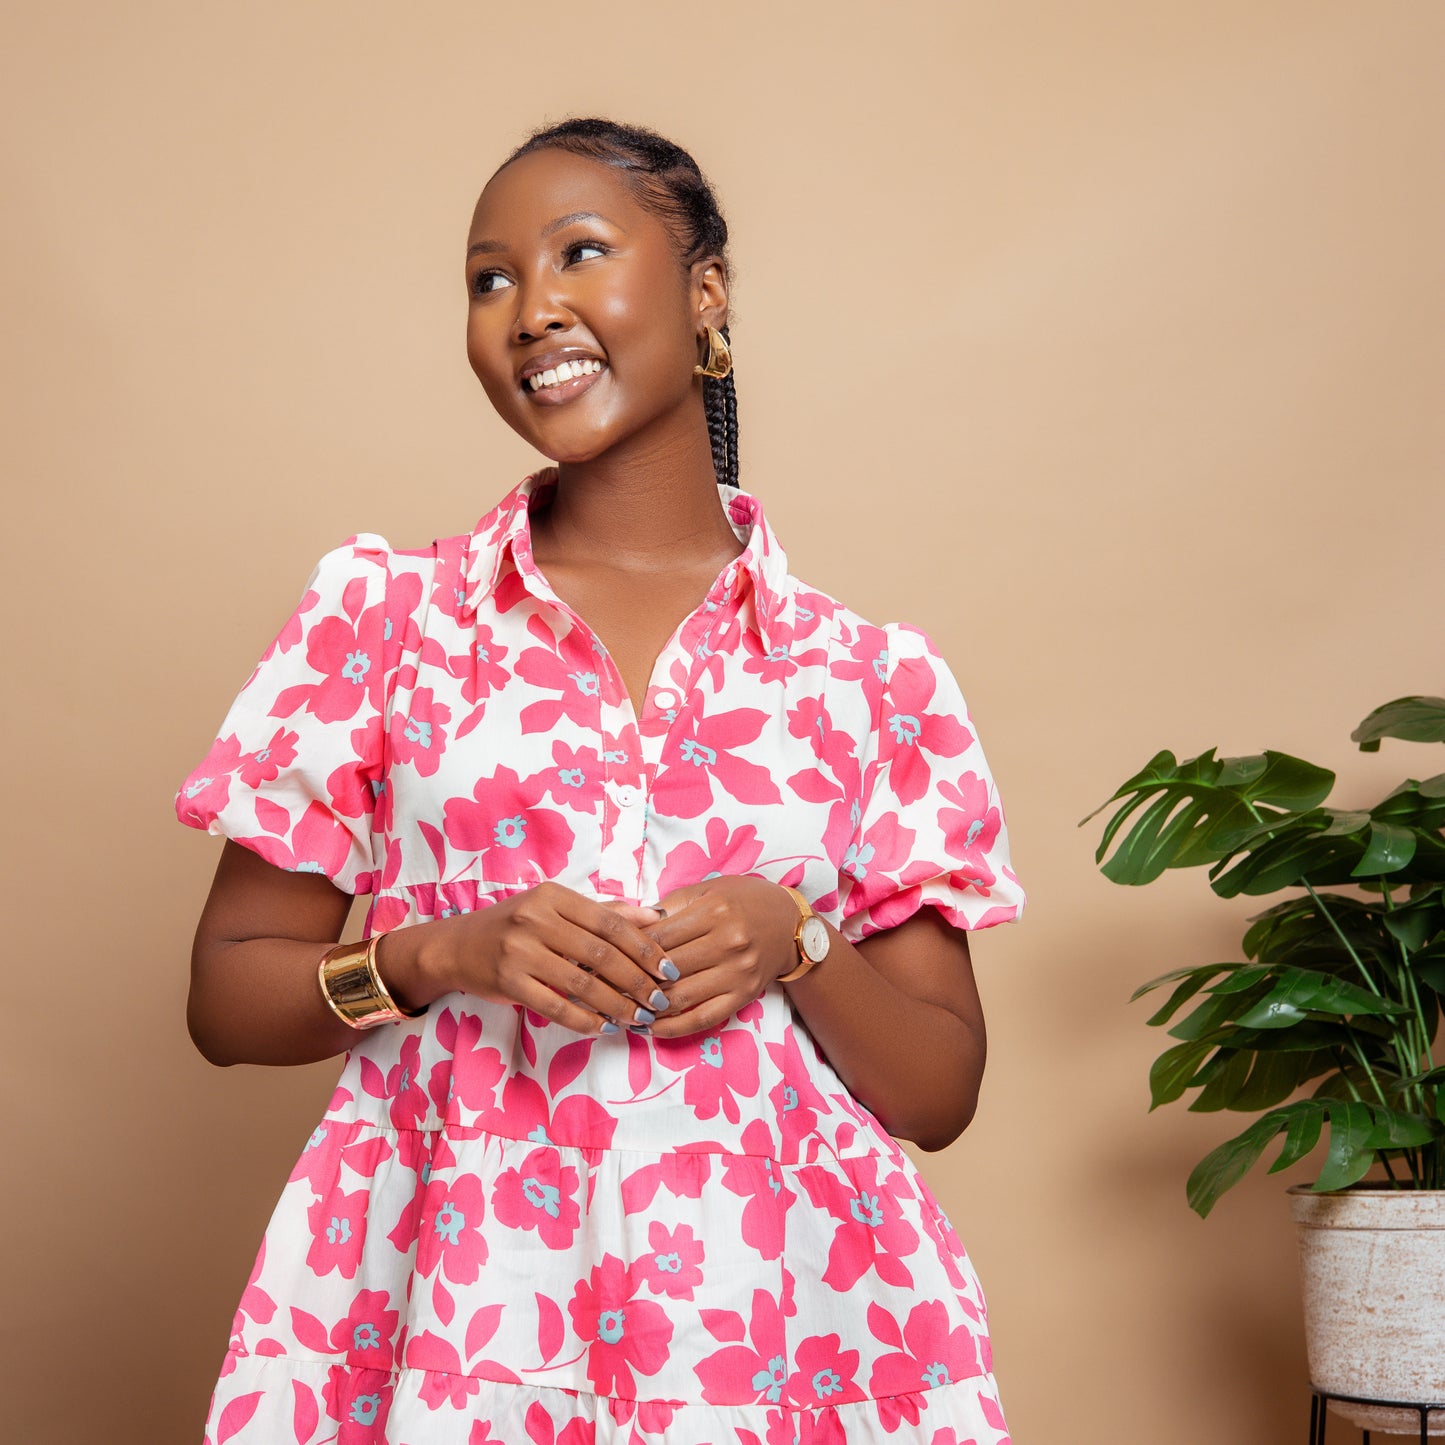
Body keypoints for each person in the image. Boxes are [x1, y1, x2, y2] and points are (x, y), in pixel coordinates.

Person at [176, 116, 1025, 1445]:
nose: (531, 309)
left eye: (579, 252)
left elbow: (936, 1090)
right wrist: (438, 952)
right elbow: (227, 992)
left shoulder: (870, 677)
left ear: (704, 292)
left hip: (785, 1326)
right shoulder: (384, 619)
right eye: (489, 277)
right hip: (457, 1306)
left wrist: (795, 934)